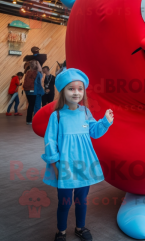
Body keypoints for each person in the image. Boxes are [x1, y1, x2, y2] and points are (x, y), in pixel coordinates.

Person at [41, 68, 114, 241]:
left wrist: (106, 122)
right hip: (65, 167)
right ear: (63, 91)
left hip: (84, 165)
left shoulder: (86, 112)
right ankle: (61, 231)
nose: (76, 93)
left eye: (80, 89)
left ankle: (80, 227)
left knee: (82, 199)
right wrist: (55, 165)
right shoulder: (57, 116)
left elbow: (94, 132)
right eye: (71, 88)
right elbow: (50, 141)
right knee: (64, 202)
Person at [23, 60, 43, 125]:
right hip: (35, 91)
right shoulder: (37, 73)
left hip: (27, 91)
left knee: (30, 105)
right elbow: (39, 83)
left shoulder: (27, 72)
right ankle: (36, 119)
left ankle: (28, 120)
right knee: (36, 105)